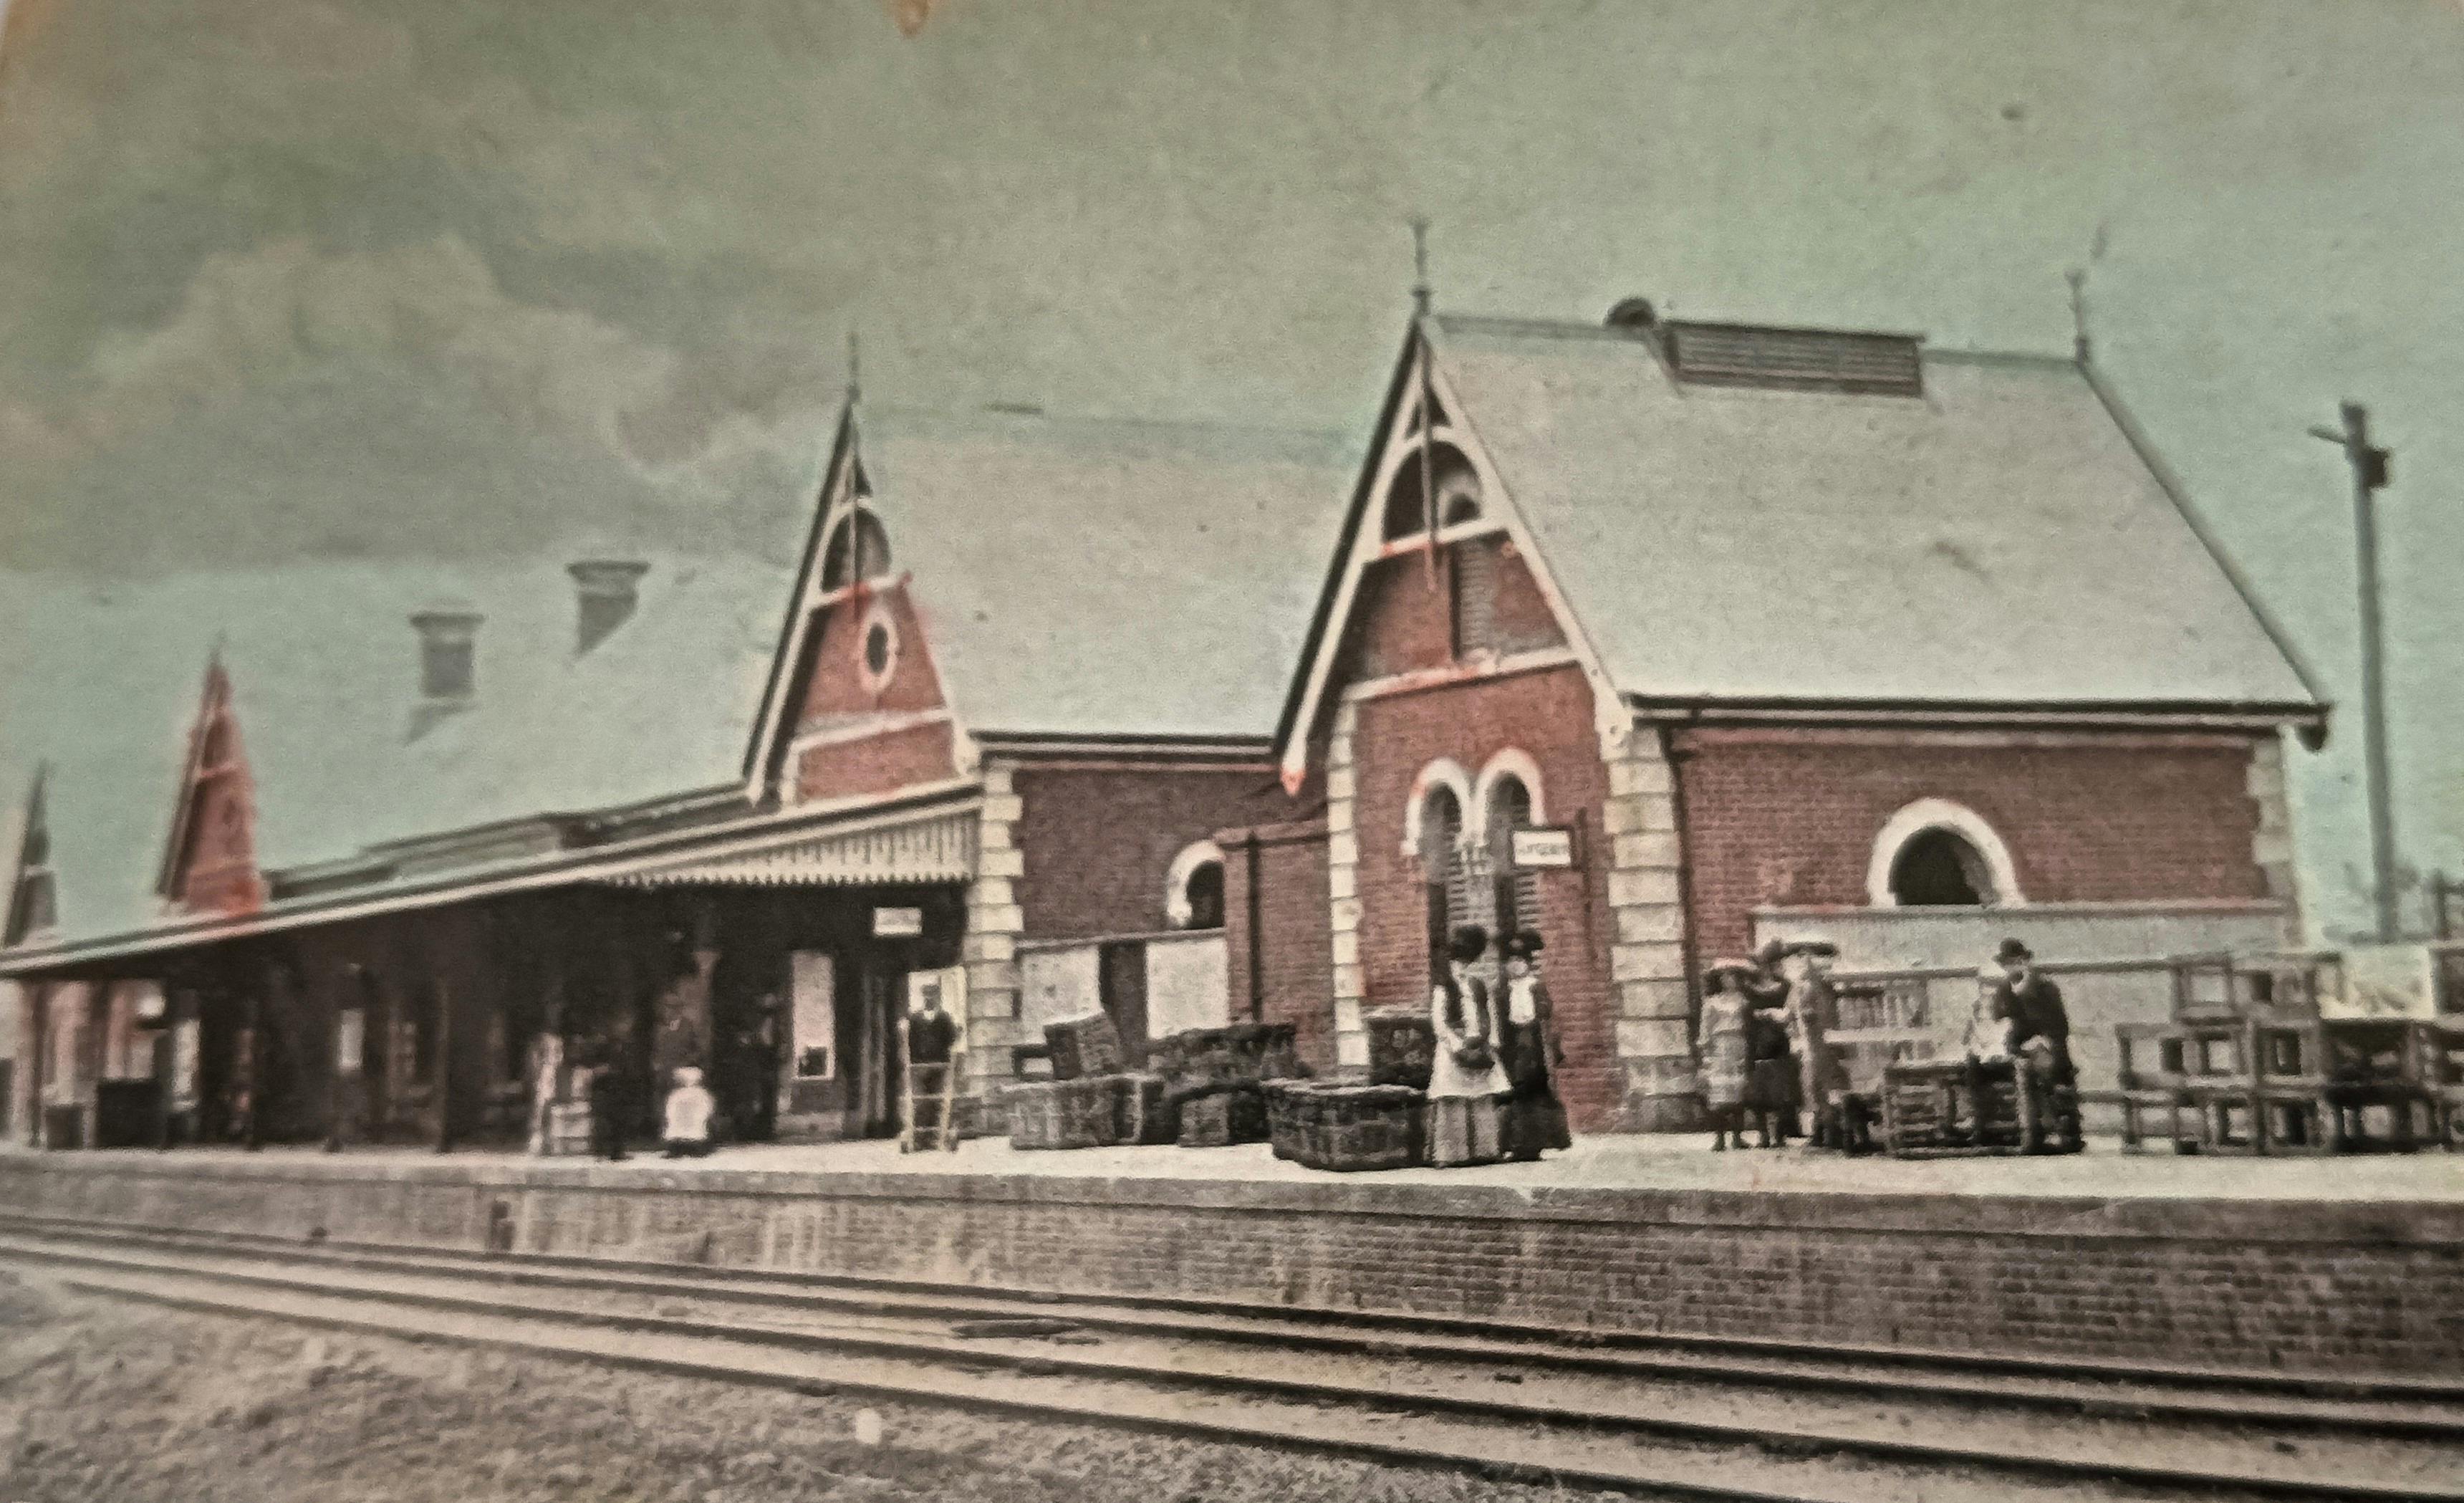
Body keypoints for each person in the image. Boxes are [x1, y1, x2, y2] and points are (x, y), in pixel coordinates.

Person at [1427, 924, 1510, 1167]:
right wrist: (1456, 1045)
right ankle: (1452, 1153)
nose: (1460, 968)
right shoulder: (1444, 988)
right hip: (1453, 1048)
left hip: (1479, 1045)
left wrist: (1490, 1042)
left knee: (1482, 1098)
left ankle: (1485, 1150)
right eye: (1456, 963)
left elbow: (1490, 1014)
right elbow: (1439, 1021)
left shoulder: (1477, 986)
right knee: (1453, 1098)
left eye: (1464, 963)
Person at [1992, 938, 2080, 1149]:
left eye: (2017, 961)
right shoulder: (2004, 989)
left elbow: (2060, 1027)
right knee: (2000, 1068)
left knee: (2039, 1069)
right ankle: (2009, 1130)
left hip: (2048, 1047)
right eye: (2008, 964)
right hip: (2018, 1047)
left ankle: (2045, 1130)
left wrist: (2041, 1040)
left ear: (2026, 962)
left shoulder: (2046, 988)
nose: (2013, 967)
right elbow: (1998, 1018)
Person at [1498, 930, 1571, 1162]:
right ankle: (1517, 1144)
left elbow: (1547, 1019)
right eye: (1511, 962)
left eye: (1520, 961)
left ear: (1528, 964)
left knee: (1537, 1094)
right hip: (1512, 1047)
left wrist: (1552, 1048)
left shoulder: (1536, 987)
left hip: (1535, 1046)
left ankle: (1537, 1143)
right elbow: (1499, 1020)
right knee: (1514, 1094)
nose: (1516, 966)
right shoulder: (1502, 990)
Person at [1789, 942, 1849, 1149]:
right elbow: (1793, 1013)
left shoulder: (1826, 984)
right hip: (1810, 1042)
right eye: (1801, 958)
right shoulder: (1800, 986)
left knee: (1826, 1084)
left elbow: (1819, 1014)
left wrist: (1807, 1015)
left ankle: (1831, 1130)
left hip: (1823, 1041)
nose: (1804, 962)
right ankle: (1821, 1129)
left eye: (1808, 957)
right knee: (1813, 1086)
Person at [1742, 940, 1799, 1146]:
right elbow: (1746, 1015)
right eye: (1760, 964)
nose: (1764, 968)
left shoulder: (1785, 987)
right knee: (1758, 1092)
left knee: (1781, 1091)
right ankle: (1763, 1134)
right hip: (1756, 1041)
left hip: (1779, 1040)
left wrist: (1776, 1016)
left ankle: (1780, 1134)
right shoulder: (1748, 990)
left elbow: (1791, 1012)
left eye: (1768, 964)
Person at [1694, 962, 1754, 1151]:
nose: (1730, 980)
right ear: (1719, 980)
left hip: (1738, 1044)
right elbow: (1706, 1029)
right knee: (1719, 1093)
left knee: (1738, 1092)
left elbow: (1748, 1025)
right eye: (1725, 977)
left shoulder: (1743, 1000)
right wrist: (1706, 1054)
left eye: (1733, 977)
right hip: (1720, 1047)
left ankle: (1737, 1137)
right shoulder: (1712, 1002)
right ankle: (1719, 1138)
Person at [660, 1065, 716, 1158]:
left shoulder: (699, 1095)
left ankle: (688, 1148)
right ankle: (682, 1148)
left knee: (693, 1136)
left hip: (695, 1132)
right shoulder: (677, 1095)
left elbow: (706, 1111)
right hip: (680, 1132)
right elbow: (670, 1112)